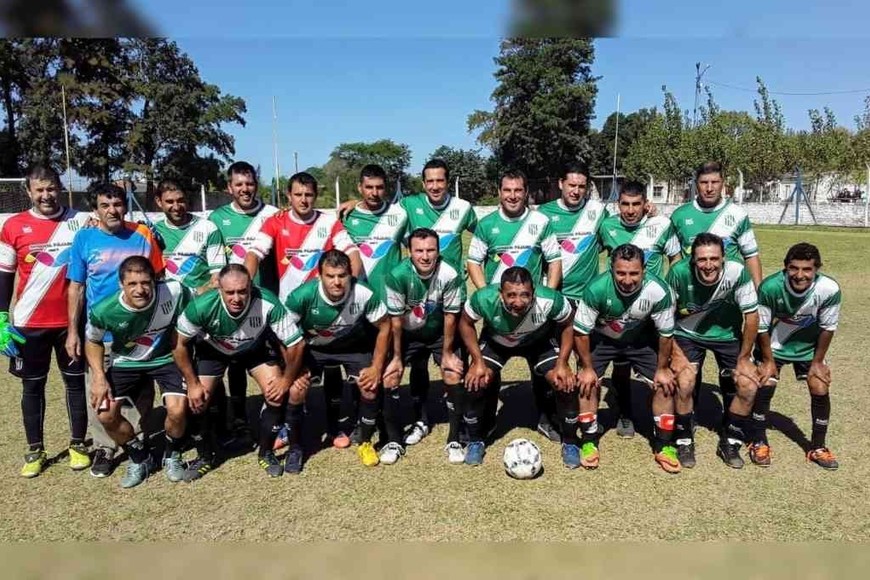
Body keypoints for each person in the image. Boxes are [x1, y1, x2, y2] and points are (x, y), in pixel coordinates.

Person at [339, 158, 478, 447]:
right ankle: (404, 418)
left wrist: (479, 267)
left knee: (452, 361)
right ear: (423, 182)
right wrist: (356, 201)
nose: (436, 186)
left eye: (441, 180)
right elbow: (376, 204)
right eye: (430, 181)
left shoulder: (463, 208)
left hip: (446, 297)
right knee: (389, 362)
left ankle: (462, 423)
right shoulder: (406, 208)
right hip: (399, 299)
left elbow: (486, 232)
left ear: (448, 181)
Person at [246, 171, 361, 449]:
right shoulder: (276, 221)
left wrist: (350, 286)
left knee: (331, 365)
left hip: (324, 310)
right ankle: (286, 423)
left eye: (309, 194)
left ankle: (335, 425)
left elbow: (352, 253)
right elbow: (254, 254)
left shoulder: (328, 223)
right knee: (292, 369)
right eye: (298, 194)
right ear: (289, 196)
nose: (304, 200)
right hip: (290, 311)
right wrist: (245, 283)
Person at [66, 181, 165, 478]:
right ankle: (104, 447)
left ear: (125, 206)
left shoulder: (142, 234)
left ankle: (134, 440)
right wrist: (73, 330)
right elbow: (77, 287)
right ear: (95, 209)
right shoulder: (84, 239)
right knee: (100, 395)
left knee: (141, 393)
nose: (113, 210)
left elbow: (158, 279)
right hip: (102, 334)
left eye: (118, 204)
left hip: (141, 333)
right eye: (105, 205)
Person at [0, 164, 91, 477]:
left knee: (75, 384)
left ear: (59, 187)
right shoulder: (13, 225)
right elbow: (4, 276)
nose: (46, 195)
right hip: (29, 323)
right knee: (32, 388)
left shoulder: (80, 221)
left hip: (70, 323)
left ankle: (79, 445)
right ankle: (35, 450)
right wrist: (1, 319)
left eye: (50, 188)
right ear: (28, 192)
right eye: (39, 190)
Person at [173, 264, 305, 478]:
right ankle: (206, 456)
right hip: (214, 351)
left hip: (253, 350)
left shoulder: (268, 302)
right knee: (197, 401)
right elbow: (178, 344)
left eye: (242, 291)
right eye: (230, 292)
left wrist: (286, 380)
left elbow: (296, 344)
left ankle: (265, 452)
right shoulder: (201, 306)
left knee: (276, 394)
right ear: (219, 289)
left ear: (251, 287)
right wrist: (192, 383)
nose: (237, 298)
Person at [467, 168, 563, 442]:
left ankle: (547, 420)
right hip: (500, 314)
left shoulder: (540, 221)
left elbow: (553, 261)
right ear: (499, 192)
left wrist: (547, 298)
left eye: (518, 190)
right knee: (486, 375)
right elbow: (474, 262)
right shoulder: (487, 225)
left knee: (545, 373)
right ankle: (485, 425)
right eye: (507, 190)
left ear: (526, 193)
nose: (512, 196)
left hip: (532, 314)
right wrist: (486, 294)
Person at [572, 244, 680, 472]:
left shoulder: (659, 291)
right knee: (587, 383)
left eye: (634, 273)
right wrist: (587, 368)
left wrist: (662, 368)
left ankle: (664, 445)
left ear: (645, 270)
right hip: (602, 341)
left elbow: (665, 334)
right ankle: (589, 440)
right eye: (621, 273)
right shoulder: (596, 288)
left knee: (665, 384)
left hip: (639, 342)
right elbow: (581, 332)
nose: (627, 279)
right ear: (611, 269)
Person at [85, 257, 189, 488]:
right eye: (132, 284)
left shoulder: (174, 291)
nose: (140, 290)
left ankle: (172, 455)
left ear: (155, 280)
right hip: (124, 362)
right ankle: (139, 456)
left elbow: (190, 316)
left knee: (178, 409)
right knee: (105, 414)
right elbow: (92, 341)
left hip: (165, 358)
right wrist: (99, 378)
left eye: (145, 282)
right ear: (121, 284)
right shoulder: (104, 310)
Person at [284, 250, 391, 468]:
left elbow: (386, 326)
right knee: (296, 389)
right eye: (330, 276)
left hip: (354, 348)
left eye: (342, 276)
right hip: (314, 350)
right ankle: (295, 447)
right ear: (319, 275)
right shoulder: (301, 296)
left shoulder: (363, 293)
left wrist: (376, 367)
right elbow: (283, 334)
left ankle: (365, 442)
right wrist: (296, 367)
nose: (337, 282)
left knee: (369, 386)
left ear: (350, 275)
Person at [458, 267, 574, 466]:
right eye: (511, 295)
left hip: (538, 342)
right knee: (475, 382)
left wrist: (563, 363)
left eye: (525, 295)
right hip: (498, 343)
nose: (518, 302)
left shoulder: (550, 300)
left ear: (534, 292)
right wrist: (477, 361)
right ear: (500, 293)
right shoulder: (483, 298)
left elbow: (568, 324)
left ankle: (570, 442)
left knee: (564, 382)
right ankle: (476, 439)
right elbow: (465, 323)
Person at [667, 233, 761, 469]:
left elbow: (751, 317)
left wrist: (744, 358)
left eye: (713, 259)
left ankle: (730, 439)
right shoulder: (679, 273)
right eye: (701, 260)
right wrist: (676, 354)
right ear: (692, 260)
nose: (708, 265)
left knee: (748, 384)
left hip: (727, 335)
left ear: (723, 258)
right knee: (685, 381)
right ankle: (684, 437)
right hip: (687, 334)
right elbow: (664, 316)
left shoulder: (738, 273)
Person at [596, 179, 681, 438]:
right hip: (619, 309)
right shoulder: (607, 226)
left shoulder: (662, 225)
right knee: (620, 364)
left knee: (664, 366)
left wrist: (673, 298)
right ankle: (624, 415)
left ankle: (675, 422)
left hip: (654, 312)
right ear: (617, 205)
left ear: (646, 204)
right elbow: (589, 254)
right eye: (625, 204)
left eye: (636, 204)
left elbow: (676, 260)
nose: (630, 210)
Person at [752, 243, 841, 469]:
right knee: (765, 383)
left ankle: (818, 447)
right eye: (794, 268)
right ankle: (758, 441)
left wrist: (818, 362)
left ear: (816, 269)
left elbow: (827, 328)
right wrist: (768, 361)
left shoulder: (829, 289)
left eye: (807, 269)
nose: (799, 275)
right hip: (774, 346)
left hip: (808, 349)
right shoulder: (770, 287)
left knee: (820, 386)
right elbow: (761, 327)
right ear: (785, 267)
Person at [207, 161, 279, 443]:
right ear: (229, 188)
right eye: (239, 184)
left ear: (256, 185)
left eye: (249, 183)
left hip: (266, 302)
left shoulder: (272, 214)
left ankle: (279, 415)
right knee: (234, 362)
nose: (245, 189)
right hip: (234, 304)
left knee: (274, 358)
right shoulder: (216, 218)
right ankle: (238, 417)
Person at [383, 228, 465, 464]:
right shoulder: (397, 275)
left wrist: (448, 352)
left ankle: (454, 438)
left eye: (431, 250)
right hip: (409, 333)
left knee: (452, 371)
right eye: (419, 250)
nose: (425, 256)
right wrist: (397, 357)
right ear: (410, 252)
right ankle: (396, 439)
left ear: (438, 251)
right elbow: (396, 322)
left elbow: (451, 316)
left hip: (440, 331)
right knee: (391, 376)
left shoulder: (449, 273)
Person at [670, 161, 762, 286]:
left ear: (722, 183)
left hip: (728, 294)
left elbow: (751, 256)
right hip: (693, 291)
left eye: (714, 182)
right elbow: (675, 259)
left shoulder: (738, 214)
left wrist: (759, 294)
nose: (709, 188)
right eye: (704, 183)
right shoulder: (679, 216)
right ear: (696, 185)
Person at [154, 179, 226, 295]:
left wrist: (194, 294)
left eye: (181, 200)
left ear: (187, 198)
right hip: (167, 303)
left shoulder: (208, 228)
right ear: (159, 201)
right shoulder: (155, 231)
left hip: (200, 302)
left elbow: (218, 276)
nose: (176, 207)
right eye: (170, 202)